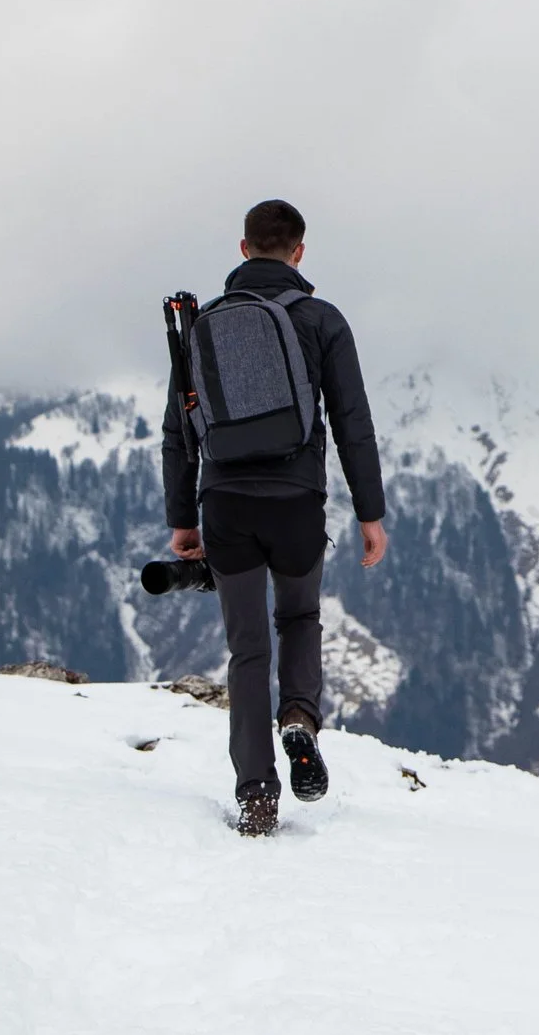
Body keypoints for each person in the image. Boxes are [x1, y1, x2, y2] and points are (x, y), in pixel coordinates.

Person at [163, 199, 388, 836]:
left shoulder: (204, 323)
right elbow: (352, 423)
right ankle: (298, 719)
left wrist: (182, 519)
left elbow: (179, 431)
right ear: (299, 251)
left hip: (225, 504)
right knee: (299, 617)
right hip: (296, 501)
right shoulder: (322, 320)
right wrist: (370, 514)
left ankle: (256, 796)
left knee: (247, 649)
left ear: (243, 248)